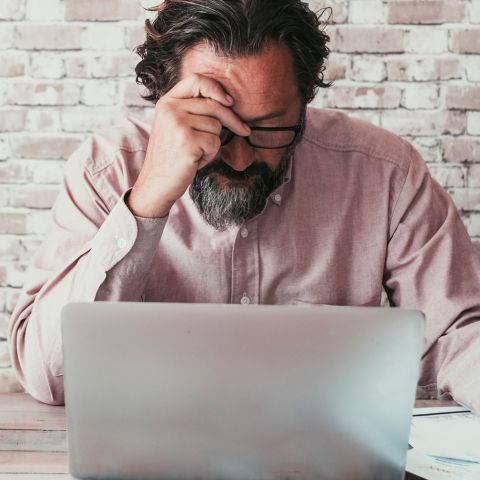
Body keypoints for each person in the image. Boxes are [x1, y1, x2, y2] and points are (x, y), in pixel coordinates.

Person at [8, 0, 480, 408]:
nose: (237, 156)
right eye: (216, 124)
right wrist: (146, 200)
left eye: (270, 127)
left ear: (304, 104)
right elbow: (48, 375)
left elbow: (456, 335)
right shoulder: (105, 170)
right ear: (164, 95)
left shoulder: (386, 173)